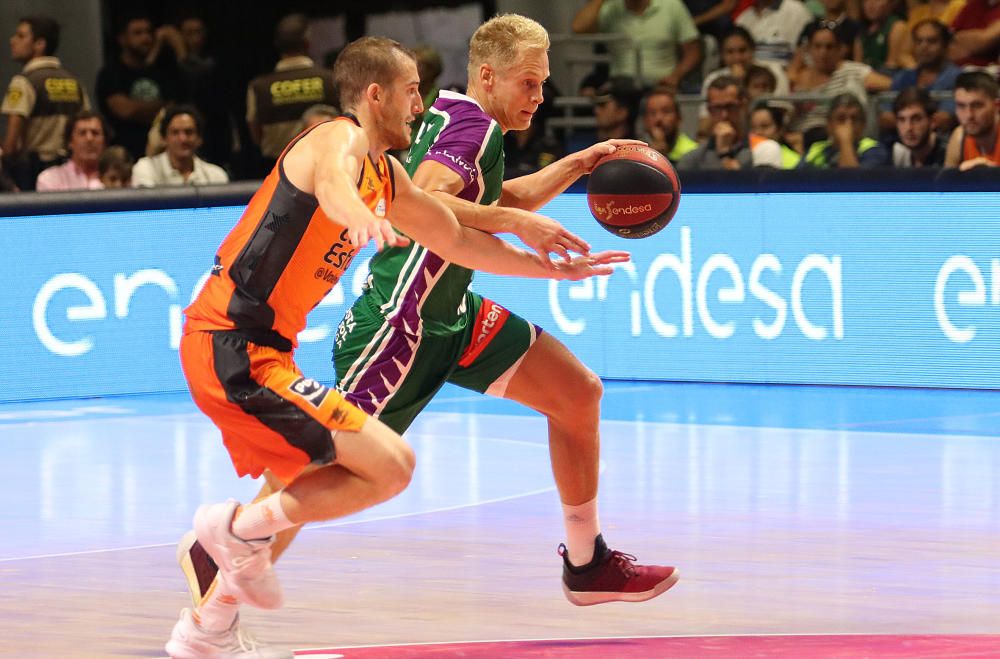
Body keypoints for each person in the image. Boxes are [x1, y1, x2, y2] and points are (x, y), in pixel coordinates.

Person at [165, 34, 628, 657]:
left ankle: (229, 549)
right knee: (328, 470)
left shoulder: (388, 175)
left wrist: (552, 266)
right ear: (376, 95)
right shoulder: (341, 140)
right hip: (241, 341)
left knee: (388, 469)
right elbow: (333, 180)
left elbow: (459, 239)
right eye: (413, 92)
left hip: (284, 348)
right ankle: (217, 583)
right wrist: (353, 209)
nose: (423, 105)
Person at [2, 15, 89, 191]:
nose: (12, 41)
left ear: (39, 44)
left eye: (20, 36)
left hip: (33, 172)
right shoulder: (74, 82)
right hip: (71, 173)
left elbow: (11, 144)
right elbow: (87, 120)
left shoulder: (24, 82)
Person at [246, 13, 338, 174]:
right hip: (324, 168)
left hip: (274, 169)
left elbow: (255, 133)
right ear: (307, 44)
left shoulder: (258, 86)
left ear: (276, 45)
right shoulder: (330, 79)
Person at [95, 15, 180, 160]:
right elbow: (125, 110)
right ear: (122, 38)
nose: (145, 38)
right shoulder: (111, 73)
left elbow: (173, 111)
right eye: (138, 33)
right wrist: (161, 109)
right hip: (123, 156)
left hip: (162, 156)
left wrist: (141, 110)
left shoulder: (164, 72)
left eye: (148, 32)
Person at [572, 0, 702, 91]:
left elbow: (693, 52)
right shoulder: (611, 9)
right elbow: (578, 27)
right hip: (620, 88)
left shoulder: (672, 5)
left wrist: (675, 76)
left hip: (661, 86)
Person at [678, 75, 784, 169]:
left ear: (743, 106)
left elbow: (759, 189)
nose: (724, 115)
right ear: (709, 111)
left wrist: (724, 154)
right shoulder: (692, 159)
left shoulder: (765, 148)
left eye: (730, 107)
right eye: (717, 108)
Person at [131, 105, 228, 186]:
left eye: (189, 132)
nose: (183, 139)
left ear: (199, 139)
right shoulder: (145, 168)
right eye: (175, 132)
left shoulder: (216, 176)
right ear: (164, 138)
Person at [801, 92, 891, 167]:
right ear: (829, 125)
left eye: (854, 119)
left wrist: (845, 141)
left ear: (863, 125)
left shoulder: (874, 151)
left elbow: (852, 184)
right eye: (841, 119)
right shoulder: (815, 150)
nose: (848, 125)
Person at [35, 110, 107, 191]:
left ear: (104, 141)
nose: (89, 138)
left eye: (95, 133)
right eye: (82, 133)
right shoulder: (50, 179)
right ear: (70, 141)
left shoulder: (118, 178)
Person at [944, 71, 1000, 170]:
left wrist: (993, 174)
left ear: (996, 106)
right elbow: (945, 184)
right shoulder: (959, 138)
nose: (969, 115)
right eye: (961, 106)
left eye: (977, 105)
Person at [890, 86, 947, 167]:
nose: (908, 128)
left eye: (916, 119)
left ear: (932, 121)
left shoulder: (948, 154)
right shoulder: (896, 154)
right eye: (902, 120)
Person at [640, 86, 699, 162]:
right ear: (645, 120)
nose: (659, 118)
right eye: (652, 113)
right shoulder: (637, 151)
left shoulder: (693, 152)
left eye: (666, 111)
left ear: (679, 118)